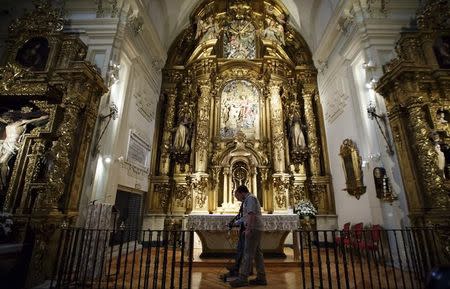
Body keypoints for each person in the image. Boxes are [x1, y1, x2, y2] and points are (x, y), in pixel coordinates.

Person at [229, 185, 267, 287]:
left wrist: (248, 229)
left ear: (241, 192)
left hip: (253, 229)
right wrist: (235, 222)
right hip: (256, 228)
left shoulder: (250, 199)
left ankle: (243, 278)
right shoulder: (248, 199)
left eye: (237, 196)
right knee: (257, 254)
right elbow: (246, 216)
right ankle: (261, 277)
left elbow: (251, 215)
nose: (237, 199)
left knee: (247, 253)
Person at [0, 112, 49, 190]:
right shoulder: (7, 126)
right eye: (5, 120)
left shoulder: (20, 122)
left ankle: (4, 183)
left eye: (7, 119)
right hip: (5, 144)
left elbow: (34, 120)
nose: (6, 121)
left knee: (2, 162)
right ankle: (2, 182)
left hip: (13, 145)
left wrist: (43, 117)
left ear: (11, 118)